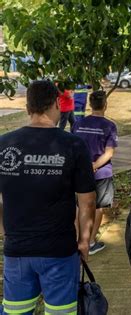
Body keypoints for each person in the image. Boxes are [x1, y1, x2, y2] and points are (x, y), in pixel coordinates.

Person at [0, 80, 96, 314]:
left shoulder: (3, 144)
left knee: (16, 311)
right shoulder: (73, 144)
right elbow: (87, 200)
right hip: (59, 251)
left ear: (28, 108)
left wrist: (5, 232)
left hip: (17, 251)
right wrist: (85, 240)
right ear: (56, 103)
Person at [72, 90, 118, 255]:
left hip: (80, 172)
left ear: (90, 105)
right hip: (102, 173)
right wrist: (95, 165)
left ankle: (79, 239)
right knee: (98, 207)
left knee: (79, 205)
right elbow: (109, 152)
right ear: (105, 105)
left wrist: (85, 166)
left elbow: (73, 148)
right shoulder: (110, 126)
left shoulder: (78, 124)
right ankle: (90, 242)